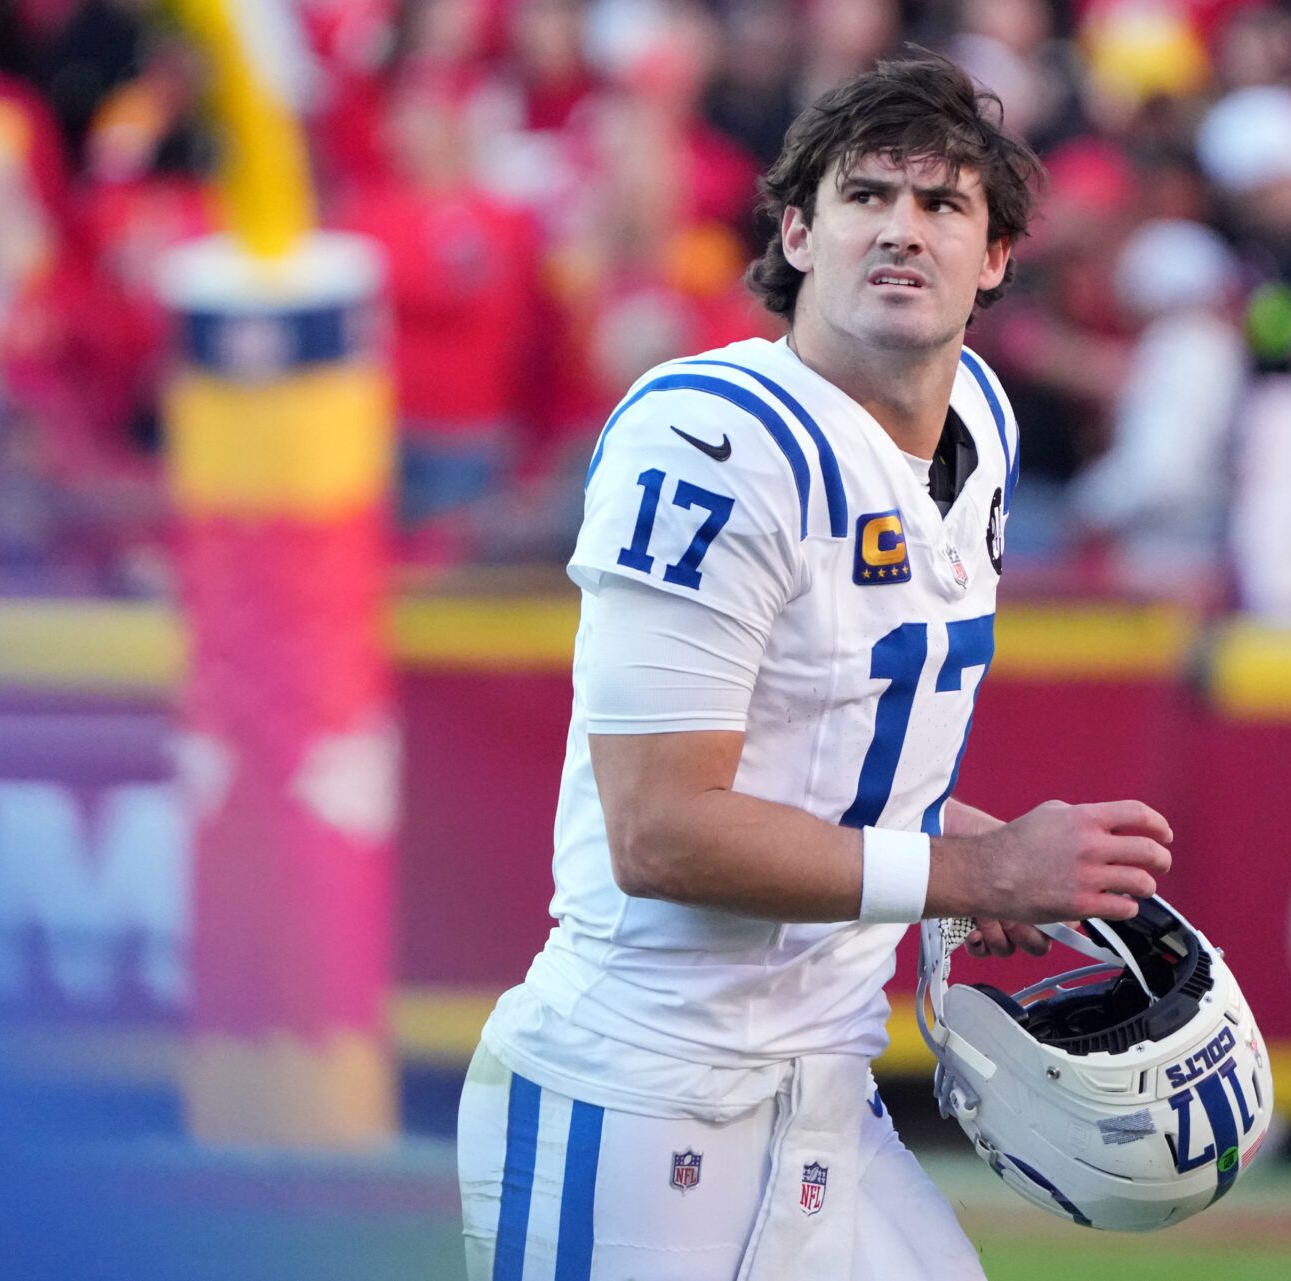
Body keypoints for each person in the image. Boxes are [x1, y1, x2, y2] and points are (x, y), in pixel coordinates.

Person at [456, 55, 1176, 1281]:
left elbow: (828, 751)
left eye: (943, 205)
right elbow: (664, 832)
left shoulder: (982, 425)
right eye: (867, 197)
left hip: (825, 1091)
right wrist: (966, 870)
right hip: (639, 1094)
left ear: (996, 256)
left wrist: (977, 863)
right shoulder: (711, 443)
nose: (903, 229)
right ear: (798, 231)